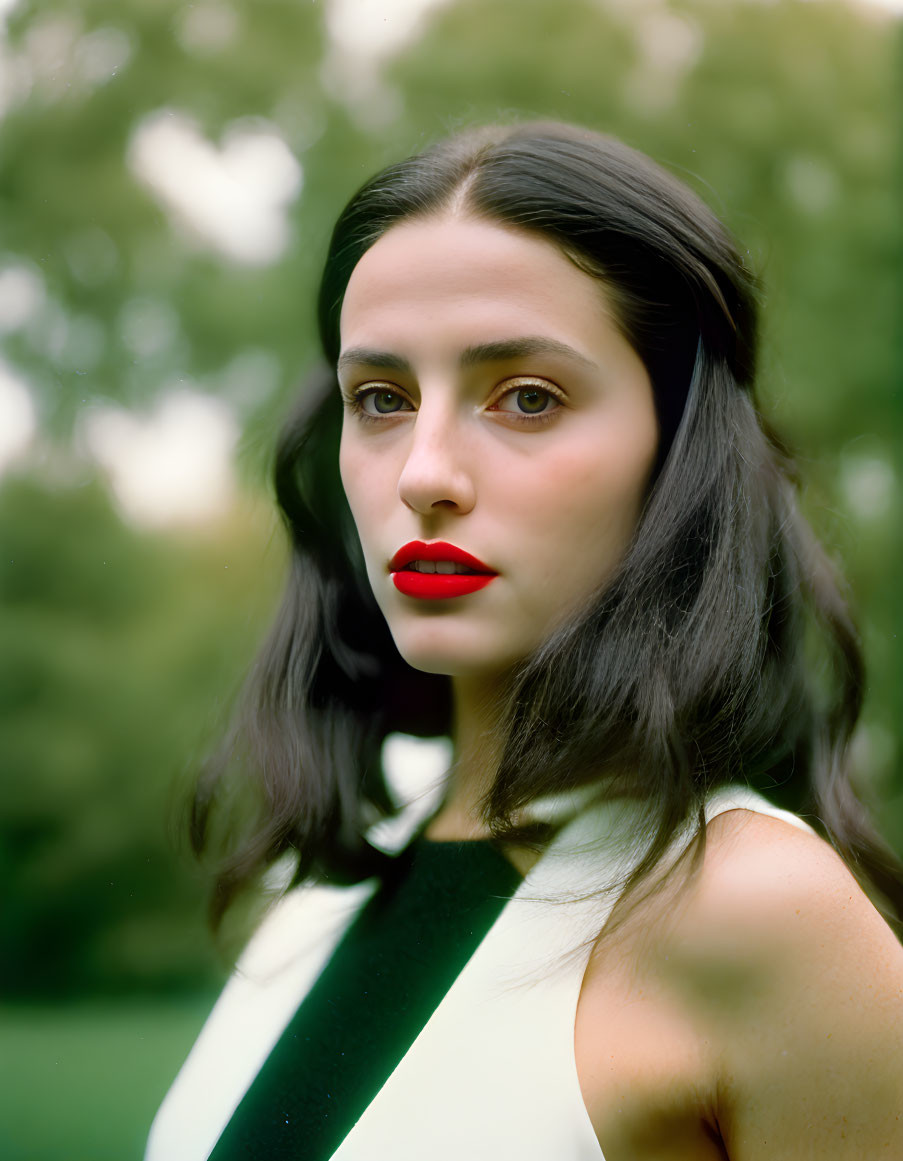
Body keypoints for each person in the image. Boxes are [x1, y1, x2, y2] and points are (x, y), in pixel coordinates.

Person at [146, 121, 903, 1161]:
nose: (424, 472)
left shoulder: (756, 910)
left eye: (527, 398)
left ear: (680, 452)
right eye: (382, 399)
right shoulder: (332, 874)